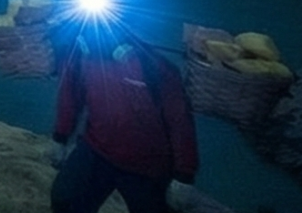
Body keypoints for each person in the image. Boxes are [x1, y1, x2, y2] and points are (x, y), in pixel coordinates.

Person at [48, 25, 198, 213]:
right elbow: (69, 97)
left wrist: (184, 175)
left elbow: (180, 122)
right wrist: (60, 137)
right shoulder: (77, 56)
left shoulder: (154, 67)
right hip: (97, 150)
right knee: (64, 201)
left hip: (147, 165)